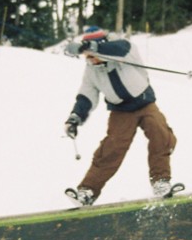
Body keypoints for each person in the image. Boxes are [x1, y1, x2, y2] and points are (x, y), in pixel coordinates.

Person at [64, 25, 177, 205]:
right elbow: (87, 95)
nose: (91, 60)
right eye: (87, 56)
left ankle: (161, 181)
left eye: (92, 55)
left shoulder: (124, 50)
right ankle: (88, 191)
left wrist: (93, 48)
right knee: (112, 149)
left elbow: (120, 48)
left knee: (160, 134)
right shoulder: (91, 71)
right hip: (121, 111)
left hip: (145, 103)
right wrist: (75, 117)